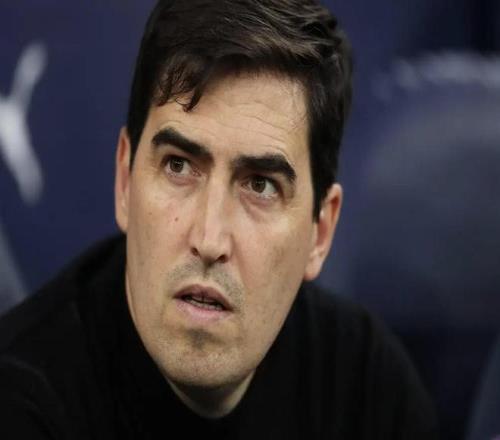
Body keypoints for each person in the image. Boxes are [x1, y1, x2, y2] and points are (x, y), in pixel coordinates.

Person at [0, 0, 438, 438]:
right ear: (125, 181)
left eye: (261, 186)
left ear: (320, 233)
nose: (209, 240)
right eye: (178, 166)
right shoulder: (21, 402)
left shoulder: (369, 390)